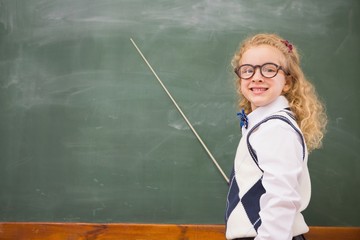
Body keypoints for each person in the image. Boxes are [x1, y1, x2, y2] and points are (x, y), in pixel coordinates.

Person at [225, 33, 327, 240]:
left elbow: (282, 199)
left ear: (287, 82)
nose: (256, 76)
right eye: (247, 70)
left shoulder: (276, 129)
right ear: (240, 80)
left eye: (269, 69)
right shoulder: (264, 124)